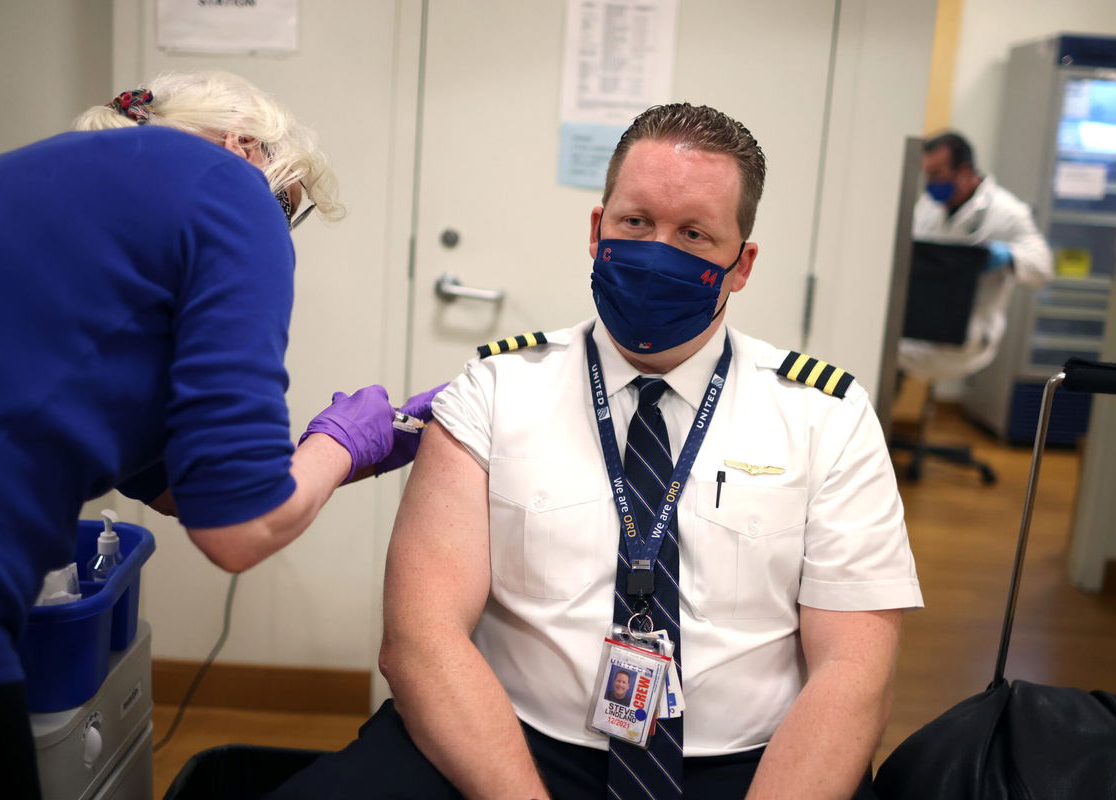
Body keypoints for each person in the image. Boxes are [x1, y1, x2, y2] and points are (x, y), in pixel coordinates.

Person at [266, 103, 923, 800]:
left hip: (744, 768)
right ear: (596, 229)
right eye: (636, 223)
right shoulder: (495, 390)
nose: (656, 251)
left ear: (741, 264)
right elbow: (420, 641)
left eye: (694, 234)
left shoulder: (827, 416)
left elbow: (855, 672)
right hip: (506, 745)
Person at [0, 71, 440, 799]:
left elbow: (180, 491)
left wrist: (364, 448)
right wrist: (346, 440)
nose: (277, 230)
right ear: (247, 147)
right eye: (287, 206)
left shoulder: (23, 188)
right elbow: (237, 530)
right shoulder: (229, 186)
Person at [899, 131, 1053, 380]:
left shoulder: (1006, 211)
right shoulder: (929, 204)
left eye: (937, 174)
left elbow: (1043, 266)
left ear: (964, 170)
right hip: (922, 322)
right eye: (927, 175)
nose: (930, 183)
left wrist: (1007, 256)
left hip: (968, 334)